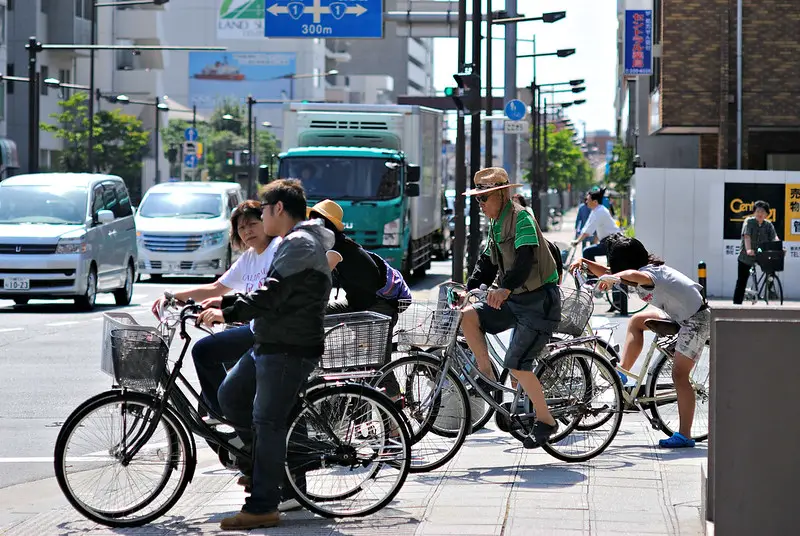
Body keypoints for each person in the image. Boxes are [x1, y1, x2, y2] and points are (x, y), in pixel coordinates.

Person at [199, 179, 334, 530]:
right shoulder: (293, 242)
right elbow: (267, 293)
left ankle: (263, 504)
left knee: (268, 422)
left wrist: (227, 312)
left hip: (289, 347)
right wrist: (225, 302)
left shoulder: (300, 244)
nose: (259, 216)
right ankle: (260, 468)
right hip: (269, 341)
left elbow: (271, 295)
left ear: (277, 210)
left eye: (262, 210)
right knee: (230, 395)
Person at [569, 235, 709, 448]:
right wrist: (584, 263)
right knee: (636, 321)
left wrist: (615, 278)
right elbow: (611, 273)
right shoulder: (637, 272)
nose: (614, 271)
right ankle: (622, 374)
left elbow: (631, 275)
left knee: (679, 375)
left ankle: (685, 435)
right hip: (679, 315)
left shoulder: (649, 274)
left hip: (696, 319)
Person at [149, 200, 280, 416]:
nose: (247, 231)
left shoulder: (276, 249)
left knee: (215, 367)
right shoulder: (249, 257)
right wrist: (173, 297)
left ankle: (234, 418)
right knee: (203, 350)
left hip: (270, 332)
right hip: (255, 327)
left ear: (265, 222)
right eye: (241, 228)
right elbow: (216, 287)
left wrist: (224, 310)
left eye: (252, 224)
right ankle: (224, 414)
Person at [461, 167, 562, 446]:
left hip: (538, 301)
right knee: (467, 316)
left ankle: (546, 420)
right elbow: (486, 264)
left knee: (517, 365)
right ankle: (486, 375)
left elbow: (525, 259)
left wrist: (504, 289)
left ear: (503, 194)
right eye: (477, 199)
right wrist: (467, 290)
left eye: (484, 198)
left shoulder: (521, 217)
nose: (480, 205)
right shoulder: (495, 224)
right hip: (515, 300)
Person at [307, 199, 411, 363]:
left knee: (376, 365)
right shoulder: (332, 245)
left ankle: (391, 390)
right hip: (358, 306)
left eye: (316, 223)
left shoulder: (338, 248)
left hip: (378, 308)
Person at [733, 200, 781, 304]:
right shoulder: (749, 221)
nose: (760, 214)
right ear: (754, 212)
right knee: (741, 280)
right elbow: (747, 236)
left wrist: (779, 246)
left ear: (767, 214)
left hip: (760, 254)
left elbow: (774, 237)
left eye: (763, 212)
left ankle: (770, 290)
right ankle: (736, 305)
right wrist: (749, 249)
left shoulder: (768, 225)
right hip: (746, 255)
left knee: (772, 267)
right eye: (758, 211)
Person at [572, 188, 620, 262]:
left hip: (612, 242)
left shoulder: (599, 212)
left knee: (587, 251)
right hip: (609, 241)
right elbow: (591, 228)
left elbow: (587, 231)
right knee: (610, 268)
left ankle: (593, 273)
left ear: (595, 202)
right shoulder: (596, 210)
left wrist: (577, 241)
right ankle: (595, 272)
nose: (586, 201)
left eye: (588, 199)